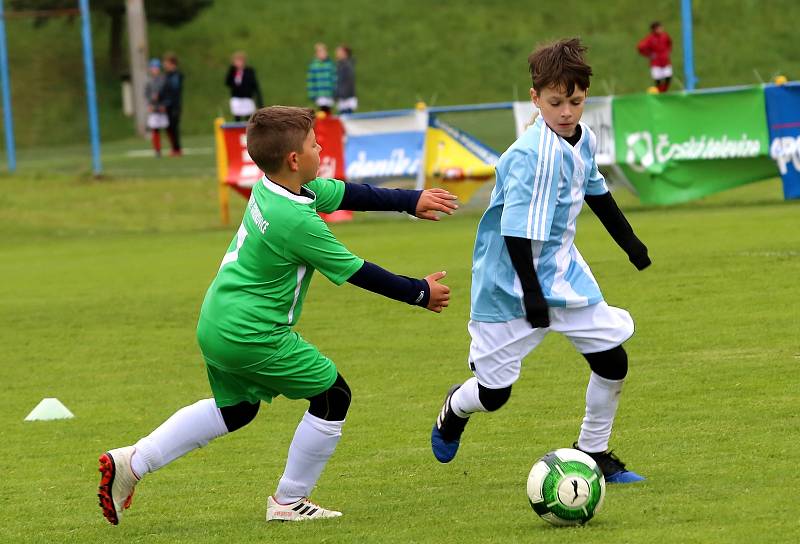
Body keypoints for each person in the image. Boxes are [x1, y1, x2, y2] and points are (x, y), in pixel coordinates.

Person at [97, 105, 459, 525]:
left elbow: (346, 192)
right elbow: (356, 270)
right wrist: (419, 292)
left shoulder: (275, 188)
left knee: (236, 410)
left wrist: (409, 200)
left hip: (217, 321)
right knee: (332, 395)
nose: (319, 148)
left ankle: (131, 463)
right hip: (251, 333)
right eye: (312, 144)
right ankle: (290, 500)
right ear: (294, 159)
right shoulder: (295, 221)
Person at [429, 38, 651, 484]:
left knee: (612, 361)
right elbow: (514, 233)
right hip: (508, 285)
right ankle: (454, 409)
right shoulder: (529, 156)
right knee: (495, 394)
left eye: (575, 101)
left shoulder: (581, 138)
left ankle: (594, 453)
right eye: (555, 102)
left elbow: (598, 192)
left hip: (563, 274)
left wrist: (631, 243)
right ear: (536, 99)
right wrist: (532, 295)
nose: (567, 111)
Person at [225, 51, 263, 122]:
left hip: (247, 98)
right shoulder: (232, 72)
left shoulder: (249, 71)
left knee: (249, 118)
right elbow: (228, 83)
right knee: (237, 117)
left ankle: (247, 132)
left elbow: (255, 86)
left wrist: (259, 102)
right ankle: (237, 132)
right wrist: (232, 69)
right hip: (236, 98)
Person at [637, 22, 673, 93]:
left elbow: (669, 43)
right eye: (658, 28)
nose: (661, 29)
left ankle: (664, 92)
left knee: (668, 77)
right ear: (654, 30)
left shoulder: (665, 36)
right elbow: (640, 47)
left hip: (665, 61)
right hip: (656, 63)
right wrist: (649, 54)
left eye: (661, 28)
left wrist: (667, 52)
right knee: (658, 80)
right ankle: (660, 93)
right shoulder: (650, 39)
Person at [161, 52, 184, 156]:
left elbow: (174, 91)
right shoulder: (167, 75)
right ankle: (174, 148)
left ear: (172, 64)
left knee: (174, 127)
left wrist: (170, 103)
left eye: (166, 63)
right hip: (168, 105)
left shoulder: (176, 75)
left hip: (174, 105)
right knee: (169, 127)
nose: (164, 65)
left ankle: (177, 149)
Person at [144, 58, 167, 157]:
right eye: (152, 68)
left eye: (156, 68)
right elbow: (146, 94)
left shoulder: (163, 80)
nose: (154, 70)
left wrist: (163, 104)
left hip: (162, 107)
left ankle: (173, 148)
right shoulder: (149, 81)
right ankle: (157, 150)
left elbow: (166, 92)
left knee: (168, 128)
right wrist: (150, 104)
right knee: (155, 129)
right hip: (154, 108)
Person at [306, 43, 336, 113]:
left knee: (329, 112)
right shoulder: (313, 65)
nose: (323, 54)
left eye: (324, 52)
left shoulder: (330, 64)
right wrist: (312, 95)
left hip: (329, 93)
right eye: (320, 52)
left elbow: (334, 79)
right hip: (320, 94)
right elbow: (311, 82)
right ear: (317, 54)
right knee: (322, 112)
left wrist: (335, 92)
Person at [334, 44, 357, 114]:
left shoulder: (347, 65)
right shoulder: (340, 65)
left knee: (347, 119)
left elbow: (348, 82)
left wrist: (342, 94)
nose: (337, 54)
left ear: (344, 53)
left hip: (346, 98)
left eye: (339, 52)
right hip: (343, 96)